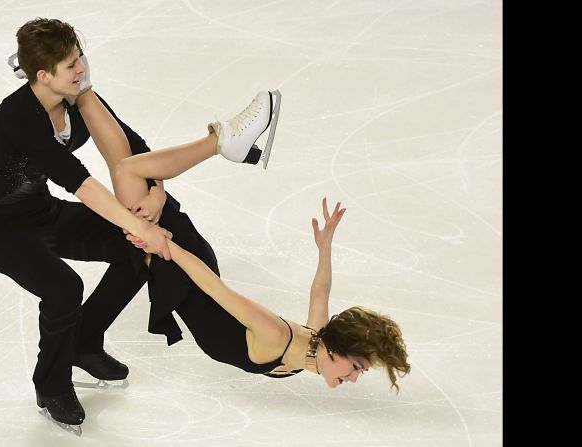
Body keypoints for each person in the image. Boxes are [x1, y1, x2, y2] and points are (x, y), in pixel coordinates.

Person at [0, 18, 277, 434]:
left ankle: (84, 340)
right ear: (43, 76)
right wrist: (147, 228)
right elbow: (80, 182)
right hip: (3, 232)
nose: (81, 69)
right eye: (70, 65)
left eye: (80, 57)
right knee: (65, 289)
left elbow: (132, 147)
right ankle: (51, 385)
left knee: (132, 247)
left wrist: (155, 195)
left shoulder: (77, 99)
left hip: (44, 213)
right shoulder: (18, 116)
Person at [79, 86, 412, 393]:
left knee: (130, 169)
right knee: (128, 172)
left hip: (183, 267)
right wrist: (164, 246)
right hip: (183, 267)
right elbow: (214, 288)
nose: (353, 377)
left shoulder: (314, 342)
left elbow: (320, 291)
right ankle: (222, 138)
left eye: (360, 371)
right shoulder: (277, 337)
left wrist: (324, 250)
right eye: (355, 367)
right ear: (335, 349)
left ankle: (78, 89)